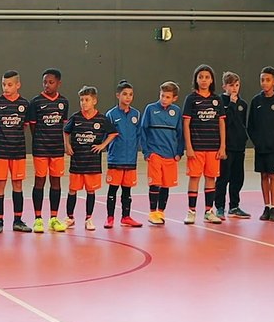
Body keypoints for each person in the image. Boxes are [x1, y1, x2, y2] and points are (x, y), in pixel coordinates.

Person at [63, 86, 116, 230]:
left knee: (90, 191)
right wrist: (67, 145)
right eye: (81, 100)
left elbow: (113, 133)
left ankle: (88, 218)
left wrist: (102, 145)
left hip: (92, 162)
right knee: (72, 189)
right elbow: (66, 131)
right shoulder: (76, 117)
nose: (84, 103)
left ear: (94, 101)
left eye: (87, 100)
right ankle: (70, 217)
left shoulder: (101, 119)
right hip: (77, 161)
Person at [181, 65, 227, 225]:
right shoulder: (191, 99)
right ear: (196, 79)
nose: (204, 80)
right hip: (196, 147)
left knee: (210, 178)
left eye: (207, 77)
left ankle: (208, 211)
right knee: (194, 178)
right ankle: (191, 211)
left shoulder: (217, 100)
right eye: (200, 77)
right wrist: (189, 147)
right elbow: (186, 124)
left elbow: (221, 123)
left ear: (212, 80)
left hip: (213, 147)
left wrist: (222, 146)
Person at [0, 70, 32, 233]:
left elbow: (25, 125)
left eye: (9, 85)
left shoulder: (24, 104)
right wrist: (0, 140)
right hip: (1, 151)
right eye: (4, 84)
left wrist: (15, 139)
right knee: (0, 184)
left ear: (18, 85)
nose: (6, 88)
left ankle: (17, 220)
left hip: (18, 151)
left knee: (17, 184)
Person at [30, 68, 69, 233]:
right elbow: (33, 126)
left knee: (56, 182)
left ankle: (53, 218)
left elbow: (64, 126)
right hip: (40, 148)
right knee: (39, 181)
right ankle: (38, 219)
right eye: (45, 82)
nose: (47, 85)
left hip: (57, 149)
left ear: (58, 83)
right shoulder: (36, 102)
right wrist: (40, 140)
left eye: (51, 82)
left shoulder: (63, 102)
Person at [139, 81, 184, 226]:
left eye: (167, 97)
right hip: (155, 153)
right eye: (162, 96)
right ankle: (152, 213)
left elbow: (180, 133)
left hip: (170, 155)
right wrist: (146, 151)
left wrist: (179, 152)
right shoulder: (150, 109)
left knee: (166, 184)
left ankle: (160, 212)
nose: (164, 99)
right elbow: (143, 130)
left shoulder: (176, 111)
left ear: (174, 98)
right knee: (155, 183)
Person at [247, 67, 274, 222]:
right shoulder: (256, 101)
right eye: (262, 80)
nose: (264, 83)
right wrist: (257, 142)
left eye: (268, 80)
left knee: (273, 176)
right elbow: (251, 125)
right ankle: (266, 206)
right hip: (261, 147)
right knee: (264, 175)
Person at [104, 80, 143, 228]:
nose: (128, 97)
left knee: (127, 190)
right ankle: (110, 218)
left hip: (130, 159)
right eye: (125, 94)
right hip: (116, 159)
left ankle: (126, 217)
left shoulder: (136, 114)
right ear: (118, 95)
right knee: (113, 189)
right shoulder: (111, 114)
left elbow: (139, 135)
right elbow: (106, 136)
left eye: (130, 94)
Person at [213, 71, 251, 219]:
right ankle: (220, 207)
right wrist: (232, 104)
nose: (234, 88)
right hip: (226, 147)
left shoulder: (243, 104)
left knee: (237, 178)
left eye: (236, 85)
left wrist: (243, 137)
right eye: (231, 85)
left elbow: (242, 124)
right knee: (223, 178)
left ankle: (234, 206)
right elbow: (226, 121)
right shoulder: (219, 102)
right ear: (224, 87)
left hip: (238, 146)